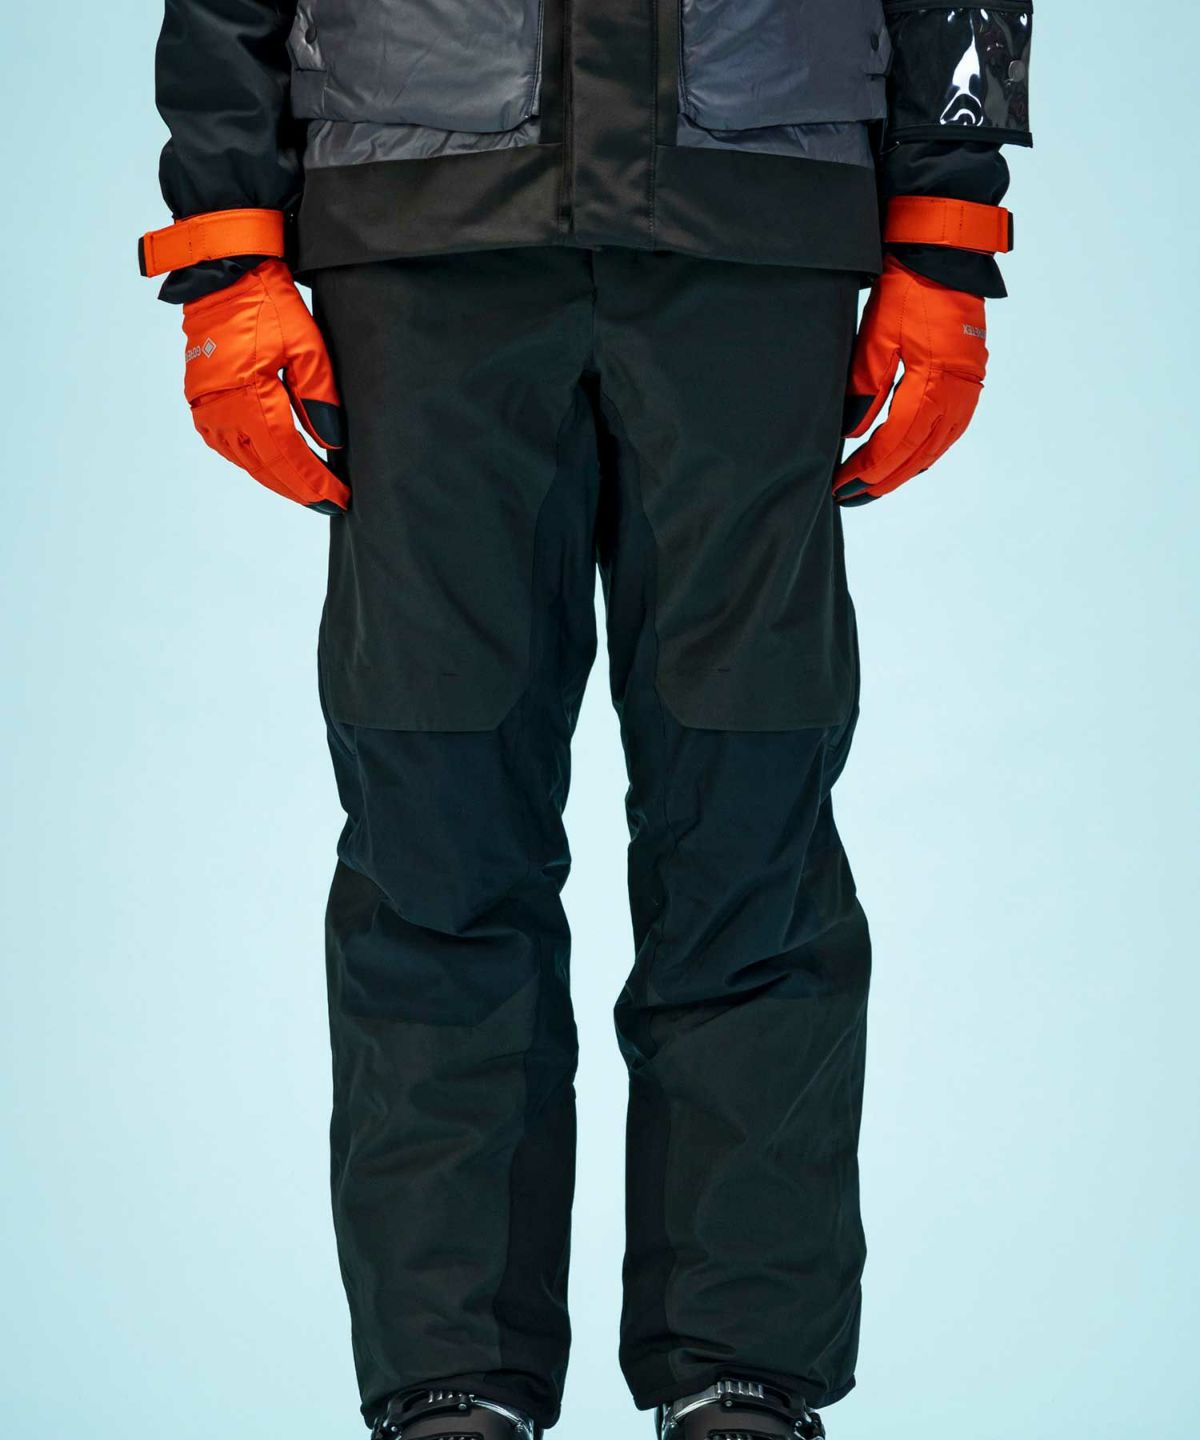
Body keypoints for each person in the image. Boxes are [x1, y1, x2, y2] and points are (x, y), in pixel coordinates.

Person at [141, 3, 1032, 1436]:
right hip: (420, 244)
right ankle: (451, 1382)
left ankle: (741, 1375)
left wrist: (947, 219)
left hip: (756, 232)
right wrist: (225, 241)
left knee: (750, 826)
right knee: (435, 831)